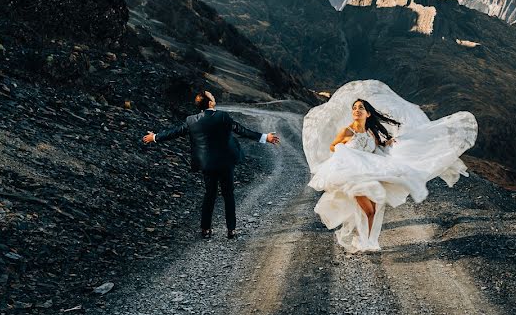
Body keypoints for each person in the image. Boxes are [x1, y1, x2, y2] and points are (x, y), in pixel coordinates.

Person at [303, 80, 477, 253]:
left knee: (373, 210)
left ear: (368, 114)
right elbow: (333, 147)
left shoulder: (371, 132)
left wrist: (389, 142)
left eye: (361, 108)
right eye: (354, 108)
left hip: (369, 173)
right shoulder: (347, 132)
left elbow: (378, 146)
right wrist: (344, 150)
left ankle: (367, 241)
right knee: (369, 209)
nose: (357, 110)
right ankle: (362, 239)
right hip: (352, 176)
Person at [142, 90, 280, 239]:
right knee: (228, 195)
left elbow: (174, 132)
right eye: (211, 96)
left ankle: (206, 229)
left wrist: (154, 137)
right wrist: (265, 137)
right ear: (210, 103)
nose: (214, 96)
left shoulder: (191, 120)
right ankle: (231, 230)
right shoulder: (222, 117)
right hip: (225, 163)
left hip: (207, 164)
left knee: (210, 195)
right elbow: (241, 130)